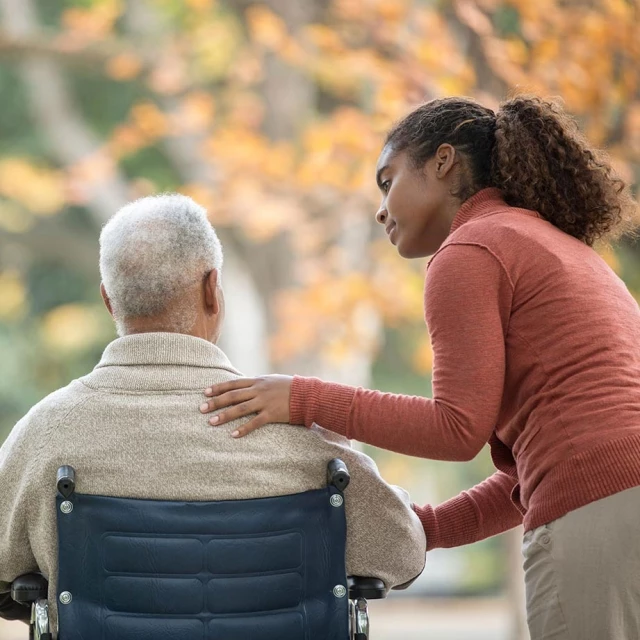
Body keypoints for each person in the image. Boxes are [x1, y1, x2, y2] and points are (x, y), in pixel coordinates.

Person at [200, 95, 640, 640]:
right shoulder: (560, 247)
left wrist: (302, 397)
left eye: (387, 181)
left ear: (443, 161)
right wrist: (424, 529)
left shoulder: (471, 250)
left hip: (600, 518)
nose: (381, 209)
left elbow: (456, 429)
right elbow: (534, 474)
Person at [0, 194, 426, 631]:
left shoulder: (46, 433)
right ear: (212, 289)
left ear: (109, 300)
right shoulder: (306, 436)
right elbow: (402, 554)